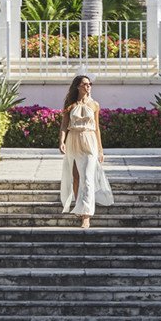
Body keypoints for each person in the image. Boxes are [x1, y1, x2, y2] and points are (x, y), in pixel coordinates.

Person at [58, 74, 112, 228]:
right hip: (73, 140)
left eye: (90, 84)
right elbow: (64, 125)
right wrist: (61, 141)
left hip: (90, 141)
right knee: (75, 177)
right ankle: (78, 207)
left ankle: (86, 216)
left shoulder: (95, 104)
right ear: (78, 86)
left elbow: (97, 128)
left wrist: (100, 150)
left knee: (87, 178)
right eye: (85, 84)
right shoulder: (70, 104)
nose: (88, 86)